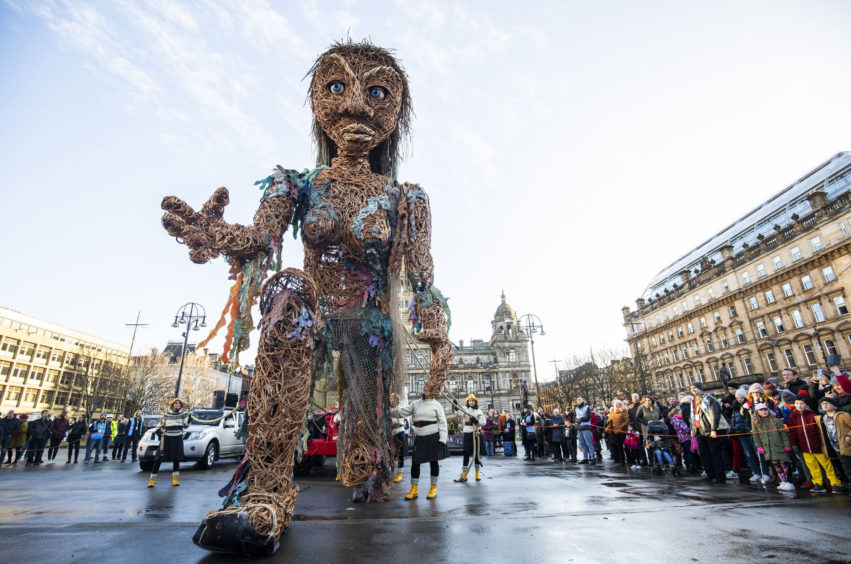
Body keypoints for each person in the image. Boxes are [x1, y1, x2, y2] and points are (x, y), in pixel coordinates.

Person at [391, 394, 448, 500]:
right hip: (420, 436)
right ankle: (414, 490)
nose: (425, 389)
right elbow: (402, 412)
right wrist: (387, 410)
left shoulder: (437, 405)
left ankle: (433, 488)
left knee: (434, 462)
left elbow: (443, 422)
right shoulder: (416, 403)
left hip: (433, 436)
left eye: (427, 387)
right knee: (415, 463)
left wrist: (443, 439)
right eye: (424, 387)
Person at [788, 394, 841, 494]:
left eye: (802, 403)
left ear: (807, 405)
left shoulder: (813, 415)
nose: (799, 405)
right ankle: (818, 483)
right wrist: (794, 444)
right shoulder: (793, 416)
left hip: (817, 446)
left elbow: (819, 431)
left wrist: (823, 444)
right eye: (797, 403)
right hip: (804, 447)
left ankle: (835, 483)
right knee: (812, 466)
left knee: (827, 465)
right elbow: (792, 431)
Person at [751, 403, 795, 492]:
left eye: (765, 410)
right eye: (761, 410)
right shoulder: (757, 424)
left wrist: (787, 444)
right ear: (757, 412)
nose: (764, 412)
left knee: (784, 463)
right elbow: (756, 436)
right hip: (768, 447)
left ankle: (789, 481)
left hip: (779, 445)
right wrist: (759, 446)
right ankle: (782, 480)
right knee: (775, 464)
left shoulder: (776, 421)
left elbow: (784, 434)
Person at [731, 387, 770, 483]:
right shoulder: (734, 408)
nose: (740, 399)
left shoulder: (750, 405)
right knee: (748, 454)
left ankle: (765, 473)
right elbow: (733, 420)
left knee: (759, 453)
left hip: (751, 432)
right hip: (740, 433)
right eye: (738, 398)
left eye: (741, 397)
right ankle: (755, 472)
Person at [148, 399, 190, 487]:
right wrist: (158, 431)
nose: (177, 405)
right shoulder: (166, 414)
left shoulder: (183, 414)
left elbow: (186, 425)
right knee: (159, 458)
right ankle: (152, 480)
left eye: (179, 403)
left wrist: (189, 419)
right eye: (175, 403)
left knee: (176, 459)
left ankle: (175, 480)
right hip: (166, 438)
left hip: (177, 437)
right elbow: (160, 425)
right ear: (172, 405)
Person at [690, 381, 726, 483]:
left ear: (700, 388)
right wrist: (693, 429)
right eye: (692, 388)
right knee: (704, 454)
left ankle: (719, 476)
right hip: (699, 431)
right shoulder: (693, 400)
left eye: (695, 387)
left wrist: (713, 429)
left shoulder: (709, 399)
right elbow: (692, 416)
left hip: (709, 430)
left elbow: (715, 414)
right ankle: (709, 473)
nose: (693, 389)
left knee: (715, 453)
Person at [817, 396, 849, 489]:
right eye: (823, 404)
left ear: (835, 406)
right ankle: (844, 483)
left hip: (844, 445)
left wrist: (849, 436)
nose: (825, 405)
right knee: (838, 467)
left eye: (827, 403)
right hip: (832, 446)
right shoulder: (823, 418)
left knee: (847, 467)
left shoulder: (842, 415)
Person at [455, 394, 485, 482]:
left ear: (475, 402)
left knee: (477, 455)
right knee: (466, 454)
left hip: (476, 433)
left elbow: (483, 422)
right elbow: (459, 413)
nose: (471, 402)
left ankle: (477, 474)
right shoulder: (464, 409)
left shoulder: (479, 411)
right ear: (468, 402)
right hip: (468, 433)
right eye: (470, 401)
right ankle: (465, 474)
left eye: (473, 401)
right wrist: (456, 406)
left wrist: (477, 421)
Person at [389, 393, 406, 483]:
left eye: (393, 398)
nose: (391, 400)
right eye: (390, 398)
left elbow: (398, 415)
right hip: (390, 433)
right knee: (389, 452)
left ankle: (400, 473)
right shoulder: (387, 408)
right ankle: (389, 471)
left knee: (400, 453)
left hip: (399, 431)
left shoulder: (400, 408)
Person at [605, 400, 629, 464]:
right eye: (615, 405)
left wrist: (621, 427)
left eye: (617, 404)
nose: (616, 406)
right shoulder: (613, 413)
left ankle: (628, 459)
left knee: (624, 446)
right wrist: (609, 422)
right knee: (618, 446)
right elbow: (609, 420)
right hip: (615, 432)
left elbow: (626, 421)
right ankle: (621, 459)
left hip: (622, 432)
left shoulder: (623, 412)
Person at [575, 397, 596, 465]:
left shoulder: (587, 407)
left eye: (580, 400)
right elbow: (575, 417)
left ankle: (592, 458)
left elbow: (588, 417)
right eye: (577, 400)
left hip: (586, 427)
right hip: (579, 427)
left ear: (582, 401)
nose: (578, 401)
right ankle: (585, 458)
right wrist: (576, 421)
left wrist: (581, 419)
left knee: (589, 444)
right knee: (582, 444)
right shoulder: (576, 408)